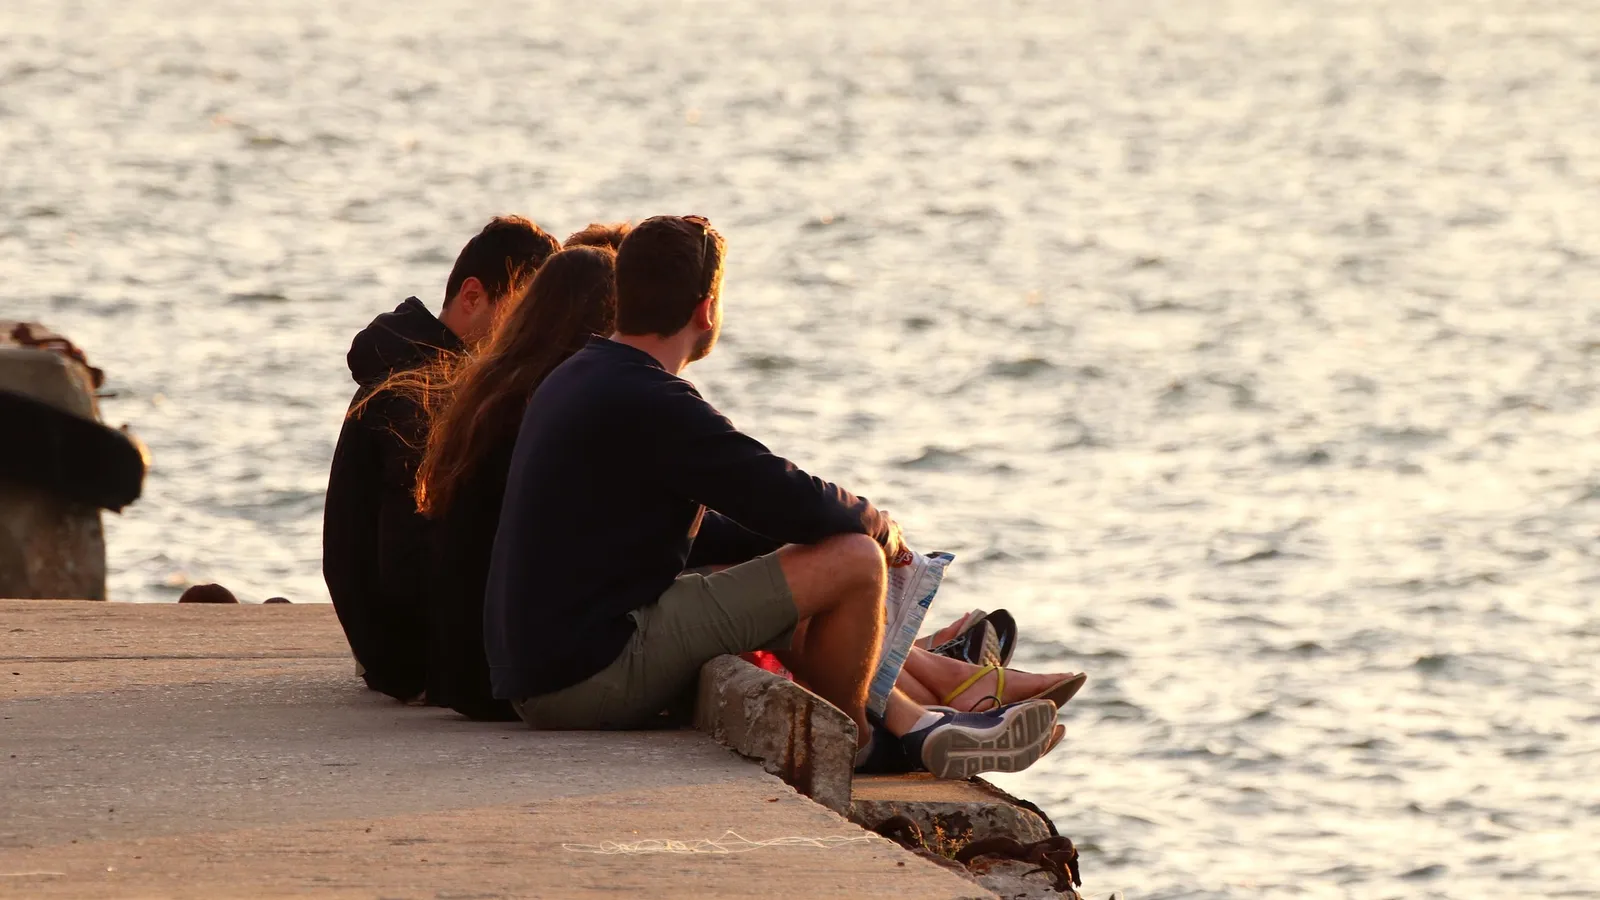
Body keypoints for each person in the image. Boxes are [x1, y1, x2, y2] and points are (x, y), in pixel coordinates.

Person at [483, 215, 1062, 778]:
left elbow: (726, 524)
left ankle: (918, 726)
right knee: (856, 560)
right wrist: (877, 525)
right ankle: (862, 746)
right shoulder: (652, 399)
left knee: (784, 581)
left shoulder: (580, 375)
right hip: (586, 678)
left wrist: (796, 546)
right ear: (707, 310)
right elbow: (783, 494)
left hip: (544, 671)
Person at [322, 215, 559, 703]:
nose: (532, 333)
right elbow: (407, 560)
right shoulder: (424, 390)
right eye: (522, 315)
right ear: (473, 297)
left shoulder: (412, 364)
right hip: (412, 656)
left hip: (391, 648)